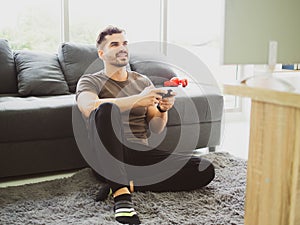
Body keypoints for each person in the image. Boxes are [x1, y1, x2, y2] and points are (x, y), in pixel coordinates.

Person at [76, 26, 215, 225]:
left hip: (140, 153)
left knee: (205, 168)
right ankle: (122, 196)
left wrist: (162, 110)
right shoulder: (90, 81)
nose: (122, 48)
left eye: (125, 43)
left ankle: (122, 183)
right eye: (114, 44)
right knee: (106, 109)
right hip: (107, 155)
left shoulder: (142, 81)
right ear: (101, 53)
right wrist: (137, 100)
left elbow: (157, 127)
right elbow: (89, 107)